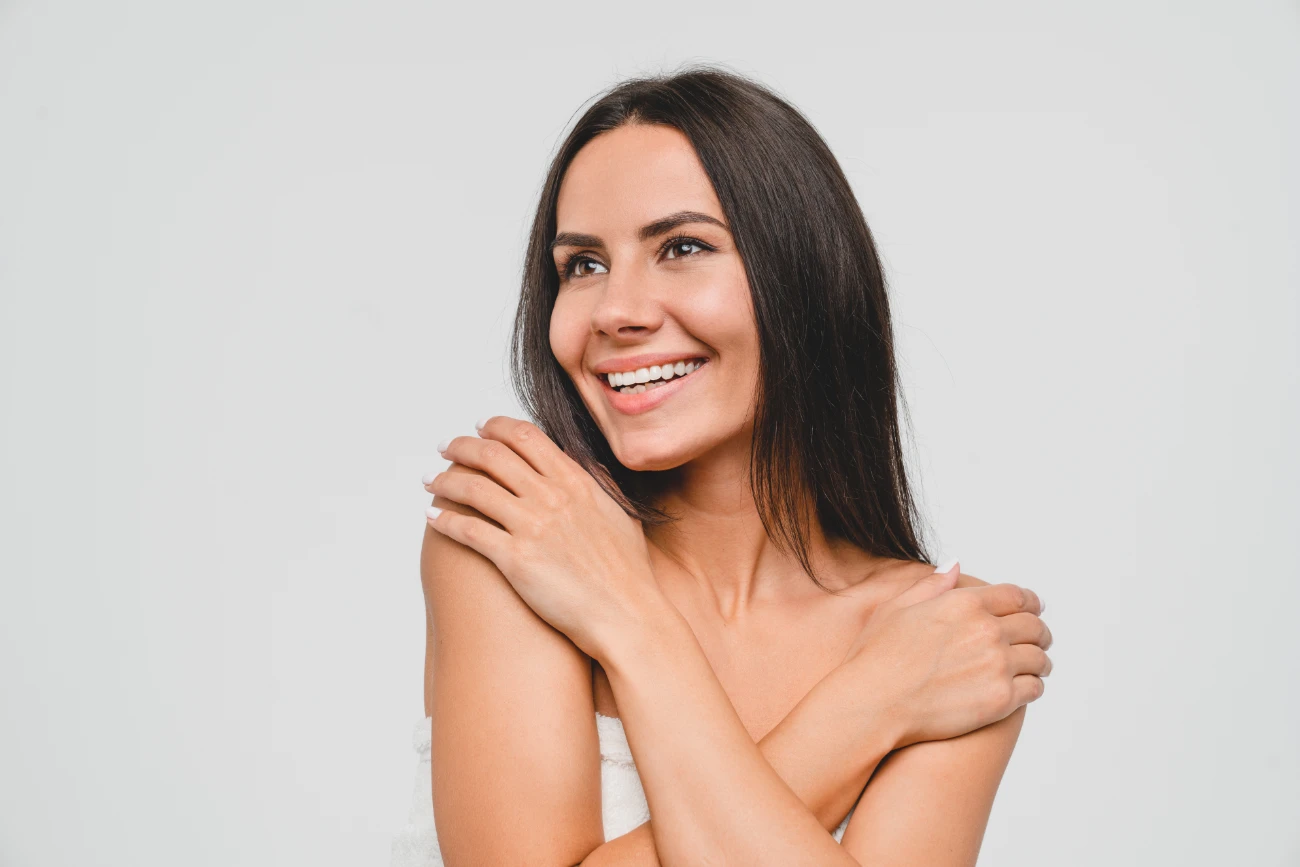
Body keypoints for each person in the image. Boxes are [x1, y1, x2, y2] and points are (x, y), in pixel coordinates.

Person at [392, 64, 1053, 866]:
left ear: (803, 276)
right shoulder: (518, 539)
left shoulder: (949, 633)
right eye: (584, 264)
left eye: (682, 247)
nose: (618, 312)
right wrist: (866, 707)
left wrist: (626, 620)